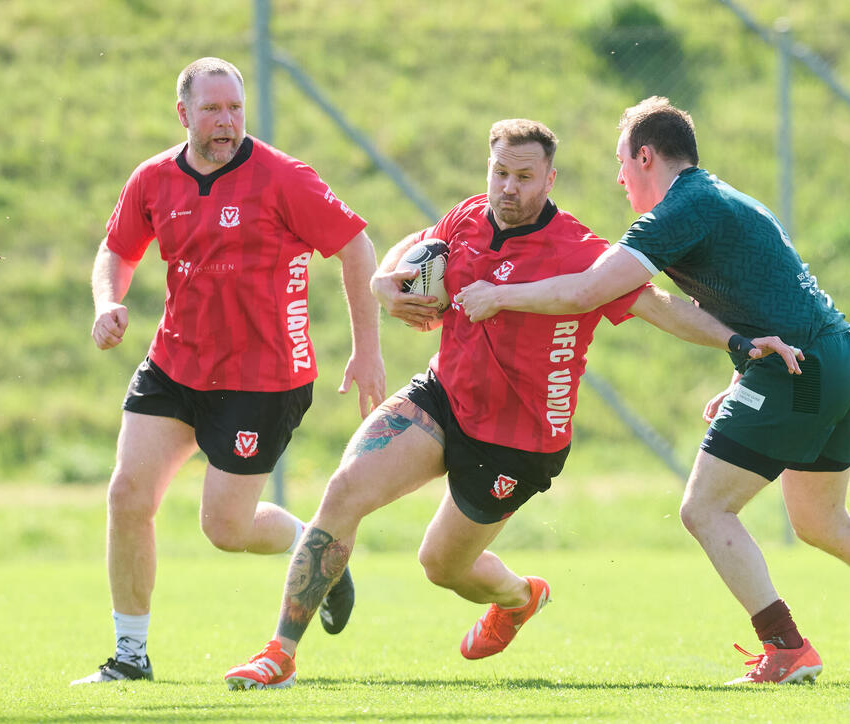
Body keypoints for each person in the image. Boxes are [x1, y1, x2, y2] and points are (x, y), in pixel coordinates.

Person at [222, 118, 803, 689]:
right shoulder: (470, 216)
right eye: (500, 172)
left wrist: (738, 342)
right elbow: (421, 242)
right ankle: (280, 652)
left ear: (550, 179)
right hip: (442, 396)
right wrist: (384, 282)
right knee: (344, 489)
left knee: (440, 566)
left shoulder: (580, 250)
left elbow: (660, 306)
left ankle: (519, 598)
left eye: (524, 176)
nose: (507, 187)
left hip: (517, 440)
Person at [455, 96, 850, 684]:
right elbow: (765, 293)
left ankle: (785, 647)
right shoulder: (721, 197)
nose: (619, 178)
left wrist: (497, 295)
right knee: (822, 523)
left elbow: (587, 292)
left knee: (705, 508)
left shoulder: (681, 208)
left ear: (647, 156)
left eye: (622, 162)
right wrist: (741, 370)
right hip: (842, 356)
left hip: (802, 368)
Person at [71, 57, 386, 685]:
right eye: (212, 109)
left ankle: (314, 547)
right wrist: (108, 301)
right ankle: (129, 657)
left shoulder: (282, 178)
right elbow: (117, 248)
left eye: (235, 108)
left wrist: (366, 348)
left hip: (262, 377)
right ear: (184, 114)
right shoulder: (154, 179)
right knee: (127, 495)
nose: (226, 121)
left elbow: (355, 245)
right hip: (175, 365)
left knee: (225, 527)